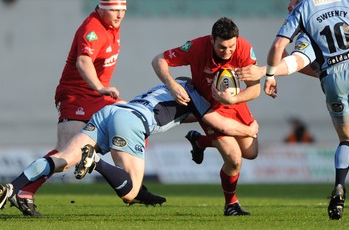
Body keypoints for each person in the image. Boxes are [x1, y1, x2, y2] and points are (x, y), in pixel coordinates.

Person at [237, 0, 349, 220]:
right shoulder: (345, 1)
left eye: (291, 8)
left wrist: (265, 72)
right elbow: (304, 65)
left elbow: (295, 60)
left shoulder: (307, 27)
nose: (288, 13)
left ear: (301, 5)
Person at [6, 0, 162, 217]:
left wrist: (101, 92)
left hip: (98, 98)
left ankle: (133, 186)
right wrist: (99, 87)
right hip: (76, 95)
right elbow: (83, 62)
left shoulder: (112, 26)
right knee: (66, 153)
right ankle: (22, 191)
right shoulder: (93, 29)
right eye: (113, 10)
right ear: (101, 8)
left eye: (123, 10)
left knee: (135, 120)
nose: (119, 15)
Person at [0, 78, 259, 214]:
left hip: (111, 112)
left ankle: (13, 186)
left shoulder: (166, 86)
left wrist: (151, 198)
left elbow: (180, 114)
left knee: (63, 158)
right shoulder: (195, 98)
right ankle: (95, 162)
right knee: (129, 192)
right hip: (131, 122)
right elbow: (222, 125)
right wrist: (249, 129)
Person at [151, 17, 260, 216]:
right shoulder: (196, 47)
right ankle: (231, 205)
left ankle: (199, 141)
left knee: (251, 152)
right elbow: (158, 59)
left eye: (231, 47)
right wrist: (172, 85)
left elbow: (255, 89)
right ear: (212, 40)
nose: (227, 52)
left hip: (234, 102)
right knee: (234, 159)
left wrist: (233, 100)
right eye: (222, 47)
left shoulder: (244, 48)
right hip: (208, 107)